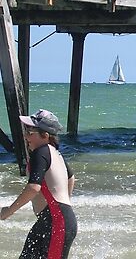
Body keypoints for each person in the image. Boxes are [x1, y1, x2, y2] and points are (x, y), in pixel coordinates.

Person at [0, 109, 77, 258]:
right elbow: (71, 178)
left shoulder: (40, 152)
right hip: (53, 220)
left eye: (30, 133)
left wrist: (8, 211)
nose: (25, 136)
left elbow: (34, 187)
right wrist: (65, 203)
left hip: (56, 222)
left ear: (45, 135)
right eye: (26, 131)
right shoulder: (55, 153)